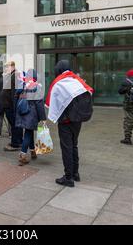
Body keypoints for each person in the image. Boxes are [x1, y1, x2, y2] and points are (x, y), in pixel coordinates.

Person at [47, 60, 93, 188]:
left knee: (66, 148)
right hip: (77, 120)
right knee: (74, 145)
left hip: (66, 121)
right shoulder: (77, 80)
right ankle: (75, 173)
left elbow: (52, 102)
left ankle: (68, 177)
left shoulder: (59, 82)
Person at [15, 69, 46, 166]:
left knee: (29, 131)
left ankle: (32, 151)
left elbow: (17, 96)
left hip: (23, 113)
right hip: (31, 114)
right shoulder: (37, 87)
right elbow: (39, 103)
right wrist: (43, 118)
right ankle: (22, 155)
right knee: (28, 133)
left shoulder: (24, 85)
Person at [0, 61, 23, 151]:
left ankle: (15, 143)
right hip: (9, 105)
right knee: (15, 124)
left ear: (12, 66)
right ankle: (18, 141)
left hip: (11, 106)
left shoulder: (15, 75)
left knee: (14, 125)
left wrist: (14, 107)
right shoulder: (12, 75)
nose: (6, 69)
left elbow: (14, 93)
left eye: (7, 67)